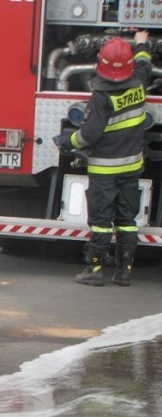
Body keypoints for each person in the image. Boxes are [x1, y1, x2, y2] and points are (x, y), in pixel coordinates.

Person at [58, 31, 152, 286]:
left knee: (101, 222)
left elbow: (90, 134)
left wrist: (68, 141)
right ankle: (124, 272)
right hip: (131, 168)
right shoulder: (139, 81)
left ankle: (95, 270)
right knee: (127, 220)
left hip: (104, 171)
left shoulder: (101, 96)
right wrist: (141, 43)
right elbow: (144, 62)